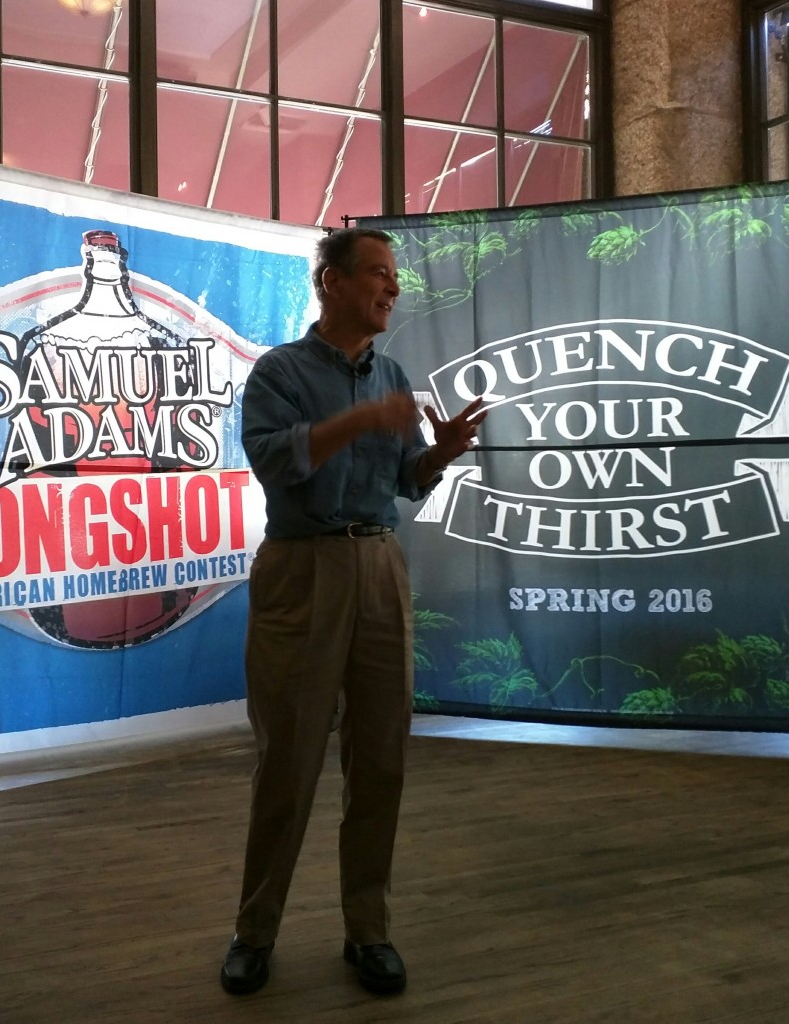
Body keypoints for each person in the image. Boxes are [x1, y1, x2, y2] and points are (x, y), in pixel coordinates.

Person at [220, 227, 485, 997]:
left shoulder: (393, 374)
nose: (391, 288)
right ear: (329, 282)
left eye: (394, 278)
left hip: (380, 568)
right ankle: (254, 932)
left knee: (381, 761)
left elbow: (406, 483)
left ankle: (368, 931)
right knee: (290, 761)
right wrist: (354, 423)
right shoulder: (280, 371)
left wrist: (441, 452)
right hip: (302, 571)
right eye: (376, 273)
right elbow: (274, 460)